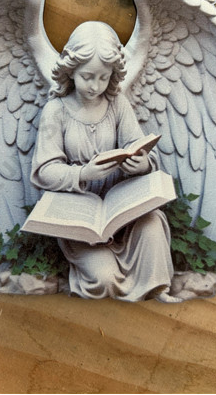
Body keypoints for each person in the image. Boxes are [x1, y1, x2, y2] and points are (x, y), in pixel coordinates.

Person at [31, 21, 180, 302]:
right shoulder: (56, 111)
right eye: (87, 77)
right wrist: (83, 174)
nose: (95, 86)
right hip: (79, 218)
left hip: (122, 210)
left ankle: (156, 288)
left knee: (151, 225)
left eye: (103, 77)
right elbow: (44, 171)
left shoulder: (117, 104)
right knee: (104, 279)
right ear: (70, 70)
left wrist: (143, 164)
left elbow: (140, 147)